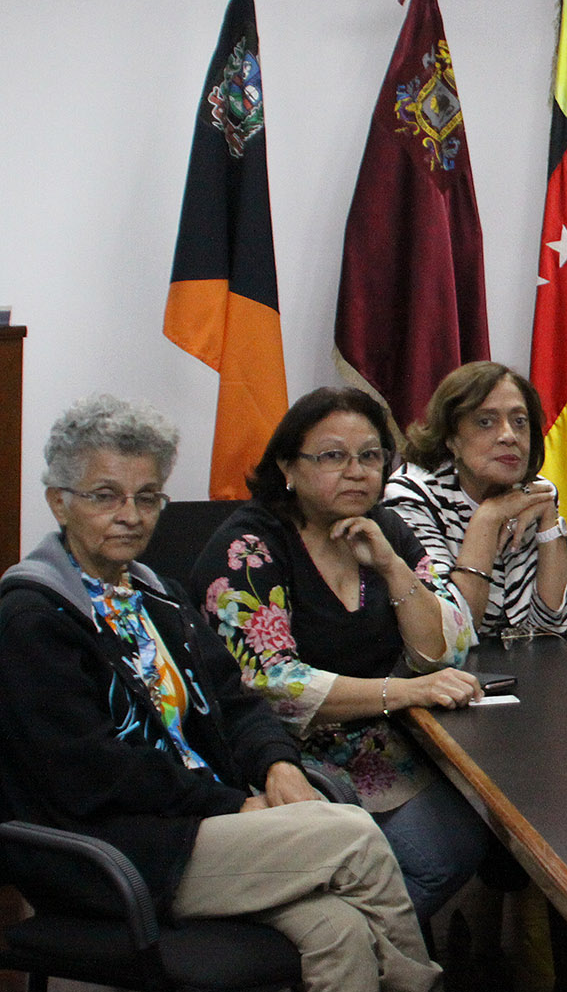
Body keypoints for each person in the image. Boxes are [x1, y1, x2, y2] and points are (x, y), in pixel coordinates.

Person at [0, 395, 441, 992]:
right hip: (112, 852)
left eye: (148, 496)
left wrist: (277, 764)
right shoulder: (32, 617)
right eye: (106, 496)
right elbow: (93, 773)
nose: (130, 515)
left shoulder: (157, 596)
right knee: (353, 835)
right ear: (59, 502)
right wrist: (230, 804)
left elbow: (236, 700)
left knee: (336, 930)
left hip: (194, 829)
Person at [194, 387, 487, 923]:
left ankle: (360, 959)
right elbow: (270, 681)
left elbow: (451, 647)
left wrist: (392, 567)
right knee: (383, 869)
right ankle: (344, 957)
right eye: (333, 456)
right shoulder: (250, 546)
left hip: (379, 749)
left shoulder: (387, 528)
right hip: (278, 757)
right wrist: (403, 692)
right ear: (288, 465)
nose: (356, 472)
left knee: (460, 844)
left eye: (370, 456)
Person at [384, 361, 567, 637]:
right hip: (437, 676)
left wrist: (549, 522)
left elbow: (561, 624)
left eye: (520, 422)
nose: (509, 436)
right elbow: (452, 632)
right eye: (485, 422)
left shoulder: (534, 493)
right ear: (451, 437)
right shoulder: (412, 494)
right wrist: (488, 520)